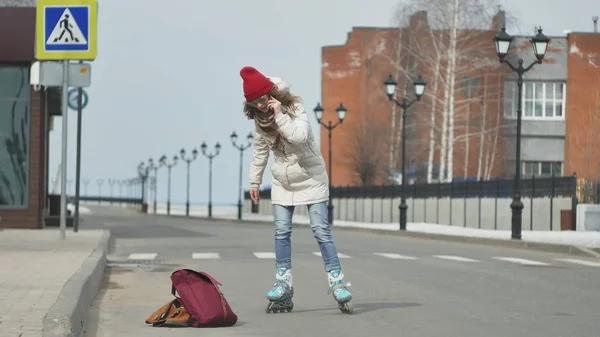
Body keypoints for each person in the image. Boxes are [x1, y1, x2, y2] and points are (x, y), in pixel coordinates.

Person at [239, 66, 353, 313]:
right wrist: (255, 182)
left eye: (262, 99)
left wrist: (279, 114)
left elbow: (299, 137)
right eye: (254, 102)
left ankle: (337, 282)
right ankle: (283, 283)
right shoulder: (260, 121)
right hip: (283, 181)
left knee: (321, 230)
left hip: (311, 177)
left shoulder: (294, 108)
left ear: (271, 93)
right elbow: (260, 152)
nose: (260, 105)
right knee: (281, 232)